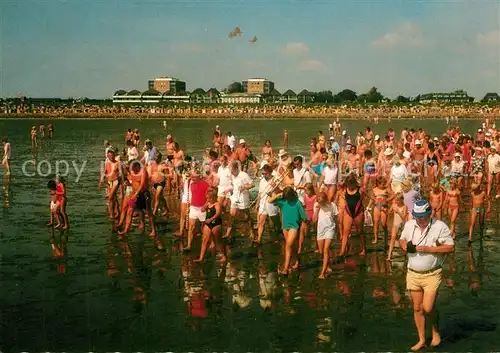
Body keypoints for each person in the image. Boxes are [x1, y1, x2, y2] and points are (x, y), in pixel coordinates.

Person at [399, 200, 454, 351]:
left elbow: (450, 247)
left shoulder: (440, 226)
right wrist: (403, 245)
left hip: (432, 273)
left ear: (430, 214)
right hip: (413, 273)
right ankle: (422, 339)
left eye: (423, 216)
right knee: (417, 308)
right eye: (417, 216)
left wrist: (431, 249)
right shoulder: (409, 225)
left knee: (428, 308)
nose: (420, 219)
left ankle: (435, 331)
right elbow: (401, 239)